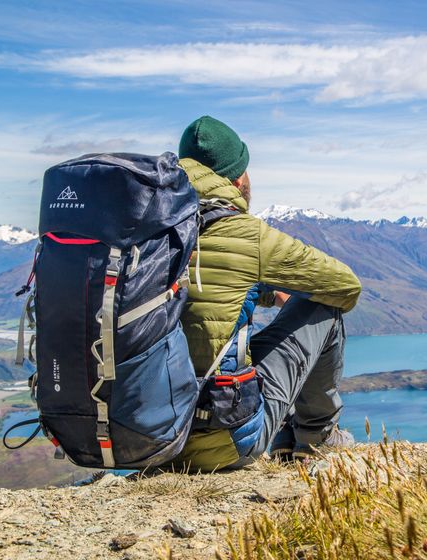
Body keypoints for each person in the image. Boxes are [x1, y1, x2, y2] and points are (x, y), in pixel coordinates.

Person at [168, 115, 362, 471]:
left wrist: (263, 292)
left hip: (148, 437)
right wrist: (288, 291)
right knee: (323, 307)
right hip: (220, 445)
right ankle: (317, 438)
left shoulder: (146, 229)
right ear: (238, 178)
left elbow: (197, 292)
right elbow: (346, 288)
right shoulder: (244, 234)